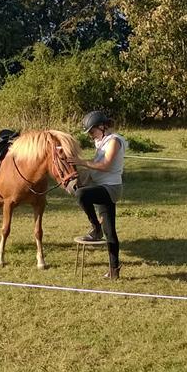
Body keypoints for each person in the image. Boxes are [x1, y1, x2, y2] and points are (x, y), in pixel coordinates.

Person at [70, 110, 126, 279]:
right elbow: (94, 169)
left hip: (110, 189)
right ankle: (114, 271)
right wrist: (81, 179)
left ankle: (95, 228)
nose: (91, 136)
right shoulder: (101, 143)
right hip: (101, 187)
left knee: (82, 195)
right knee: (110, 232)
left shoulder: (114, 141)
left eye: (92, 131)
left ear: (102, 127)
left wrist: (81, 162)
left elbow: (106, 166)